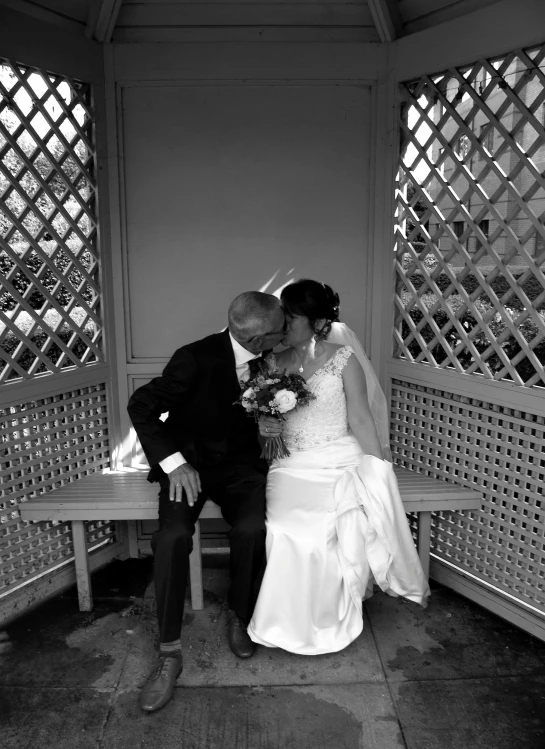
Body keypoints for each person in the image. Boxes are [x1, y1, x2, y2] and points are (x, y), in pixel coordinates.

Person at [247, 279, 430, 655]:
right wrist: (266, 428)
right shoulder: (270, 362)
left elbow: (361, 419)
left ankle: (329, 616)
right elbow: (265, 433)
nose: (283, 326)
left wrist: (379, 464)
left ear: (315, 322)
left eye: (291, 318)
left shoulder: (343, 359)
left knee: (330, 527)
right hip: (291, 465)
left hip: (338, 458)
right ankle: (284, 622)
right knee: (285, 528)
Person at [127, 291, 286, 712]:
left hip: (240, 468)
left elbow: (259, 413)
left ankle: (241, 613)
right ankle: (168, 653)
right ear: (258, 337)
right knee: (172, 537)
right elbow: (141, 405)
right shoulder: (193, 358)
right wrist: (175, 464)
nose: (284, 335)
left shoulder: (270, 360)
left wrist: (268, 425)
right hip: (190, 465)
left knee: (253, 529)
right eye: (279, 330)